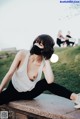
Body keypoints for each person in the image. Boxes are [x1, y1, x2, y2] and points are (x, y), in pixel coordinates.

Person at [0, 34, 80, 108]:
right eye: (36, 42)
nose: (36, 45)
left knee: (45, 83)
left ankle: (76, 97)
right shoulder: (22, 54)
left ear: (45, 48)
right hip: (13, 90)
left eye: (40, 44)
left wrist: (47, 59)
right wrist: (0, 89)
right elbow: (10, 73)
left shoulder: (43, 64)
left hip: (29, 93)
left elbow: (50, 81)